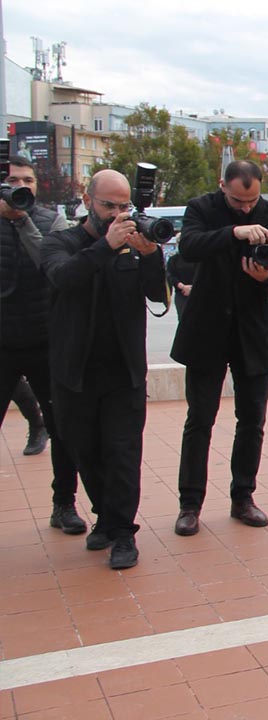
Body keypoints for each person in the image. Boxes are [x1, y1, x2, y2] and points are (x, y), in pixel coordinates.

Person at [41, 169, 168, 570]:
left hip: (123, 373)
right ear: (87, 199)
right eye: (108, 206)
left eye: (123, 206)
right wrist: (104, 248)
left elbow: (155, 294)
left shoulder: (133, 247)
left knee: (123, 454)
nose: (117, 214)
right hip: (74, 372)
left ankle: (123, 534)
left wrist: (151, 256)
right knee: (85, 451)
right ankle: (107, 520)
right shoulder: (61, 242)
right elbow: (63, 277)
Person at [170, 160, 268, 536]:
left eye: (251, 200)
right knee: (199, 420)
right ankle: (189, 504)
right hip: (207, 328)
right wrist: (235, 231)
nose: (245, 206)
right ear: (221, 185)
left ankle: (243, 497)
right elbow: (189, 247)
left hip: (252, 331)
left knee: (252, 421)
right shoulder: (201, 209)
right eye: (238, 200)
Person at [0, 154, 85, 536]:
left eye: (28, 181)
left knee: (62, 426)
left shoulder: (52, 221)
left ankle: (64, 504)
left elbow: (54, 267)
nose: (22, 187)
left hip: (45, 339)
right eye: (13, 180)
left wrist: (22, 222)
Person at [166, 250, 196, 318]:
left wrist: (193, 288)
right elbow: (170, 276)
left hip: (198, 292)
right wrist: (182, 286)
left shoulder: (198, 258)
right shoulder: (174, 259)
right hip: (181, 293)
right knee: (183, 319)